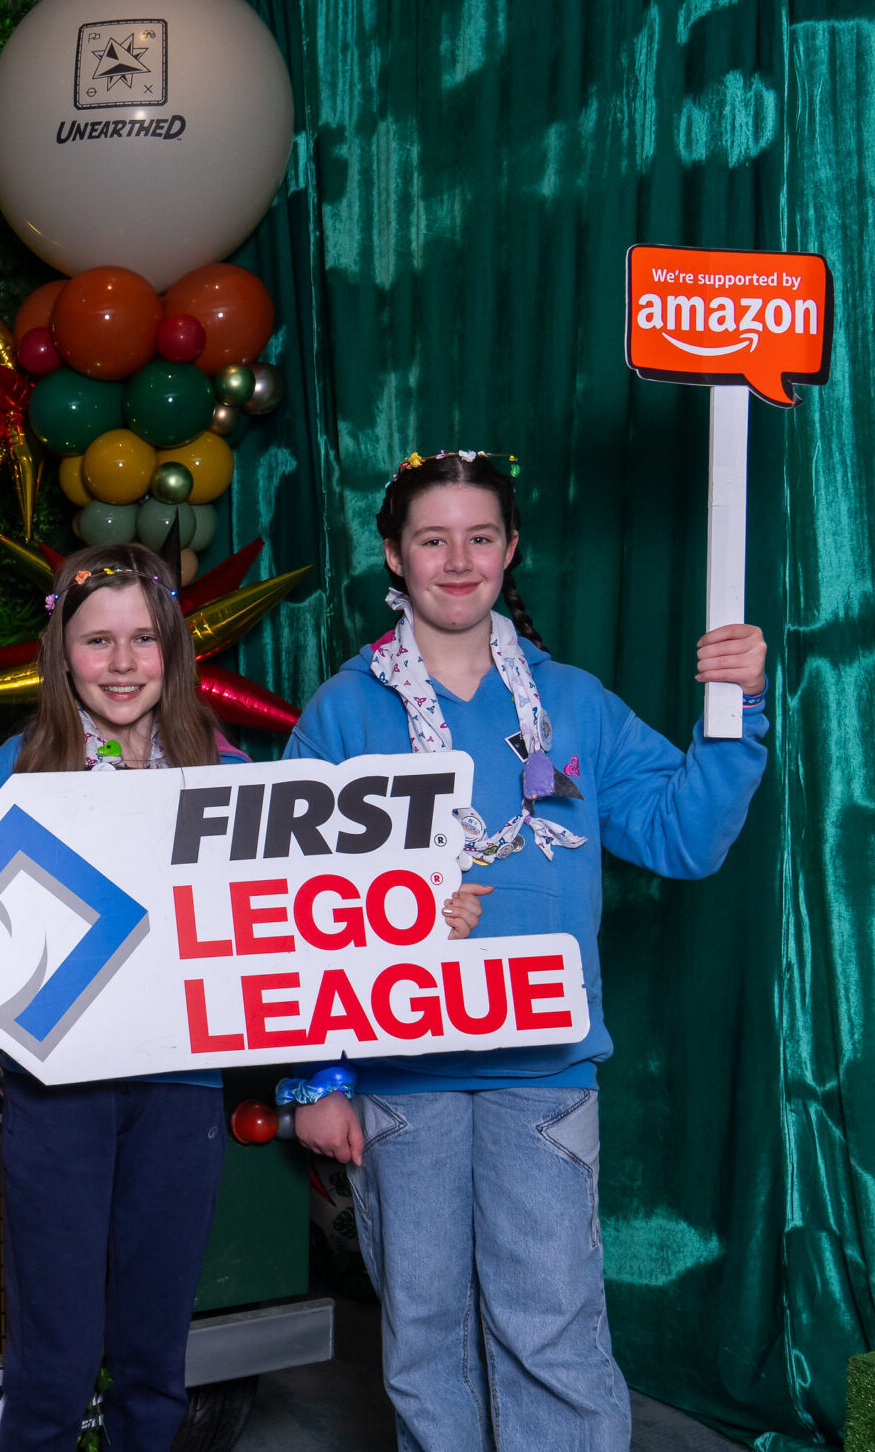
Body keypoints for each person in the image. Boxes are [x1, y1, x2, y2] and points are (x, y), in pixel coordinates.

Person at [0, 544, 484, 1451]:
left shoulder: (224, 775)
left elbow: (305, 926)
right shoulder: (17, 771)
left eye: (143, 638)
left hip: (182, 1097)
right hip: (55, 1097)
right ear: (60, 652)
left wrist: (424, 914)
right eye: (98, 639)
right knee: (53, 1361)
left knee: (155, 1358)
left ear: (174, 650)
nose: (121, 661)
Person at [287, 450, 769, 1452]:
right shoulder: (342, 711)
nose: (455, 562)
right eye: (431, 540)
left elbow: (683, 837)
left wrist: (737, 714)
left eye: (478, 537)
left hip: (540, 1074)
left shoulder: (574, 704)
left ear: (510, 551)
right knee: (421, 1335)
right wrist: (314, 1077)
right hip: (399, 1074)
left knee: (547, 1325)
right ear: (393, 555)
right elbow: (292, 911)